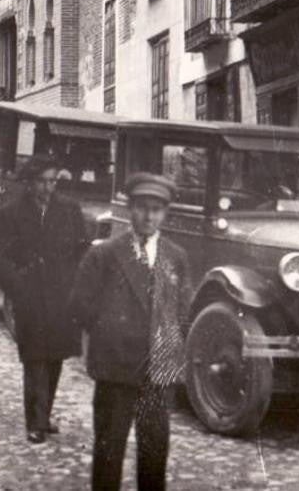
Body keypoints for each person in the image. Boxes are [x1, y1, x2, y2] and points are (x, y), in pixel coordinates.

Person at [70, 172, 190, 490]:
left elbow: (182, 309)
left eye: (156, 209)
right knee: (110, 449)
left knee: (154, 452)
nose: (149, 216)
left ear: (165, 213)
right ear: (130, 209)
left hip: (157, 373)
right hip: (116, 370)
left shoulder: (176, 257)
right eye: (142, 207)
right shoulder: (105, 254)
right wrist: (110, 330)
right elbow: (80, 305)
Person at [0, 155, 88, 444]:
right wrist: (18, 285)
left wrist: (76, 284)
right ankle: (34, 421)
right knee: (34, 358)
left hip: (61, 295)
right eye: (43, 182)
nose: (48, 188)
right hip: (30, 296)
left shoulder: (70, 210)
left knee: (55, 356)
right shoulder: (11, 213)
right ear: (30, 183)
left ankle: (45, 414)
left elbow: (82, 250)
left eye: (53, 181)